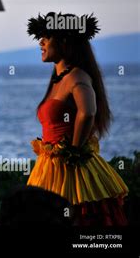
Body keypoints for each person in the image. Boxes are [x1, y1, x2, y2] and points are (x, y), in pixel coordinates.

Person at [26, 12, 128, 225]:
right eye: (40, 37)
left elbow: (88, 112)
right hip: (50, 165)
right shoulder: (58, 79)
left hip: (70, 167)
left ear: (65, 41)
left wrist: (74, 150)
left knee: (77, 217)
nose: (40, 42)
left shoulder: (77, 76)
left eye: (46, 37)